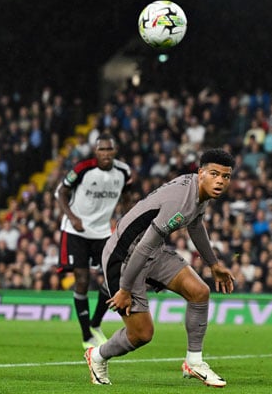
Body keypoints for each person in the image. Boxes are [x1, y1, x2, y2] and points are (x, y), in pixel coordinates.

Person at [84, 148, 236, 387]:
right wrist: (124, 289)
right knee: (141, 335)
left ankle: (194, 362)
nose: (220, 181)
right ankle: (97, 356)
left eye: (226, 176)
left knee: (200, 292)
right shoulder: (180, 201)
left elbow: (195, 226)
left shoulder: (199, 193)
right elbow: (142, 249)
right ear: (201, 173)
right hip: (123, 257)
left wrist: (213, 265)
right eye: (214, 174)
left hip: (151, 251)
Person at [55, 133, 132, 349]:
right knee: (81, 279)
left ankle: (96, 324)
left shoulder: (123, 172)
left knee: (112, 278)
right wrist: (72, 217)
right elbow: (61, 192)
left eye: (109, 149)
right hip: (75, 231)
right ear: (95, 152)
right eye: (101, 150)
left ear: (115, 151)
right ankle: (86, 335)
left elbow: (127, 196)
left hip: (102, 232)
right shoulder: (82, 169)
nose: (105, 153)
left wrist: (124, 219)